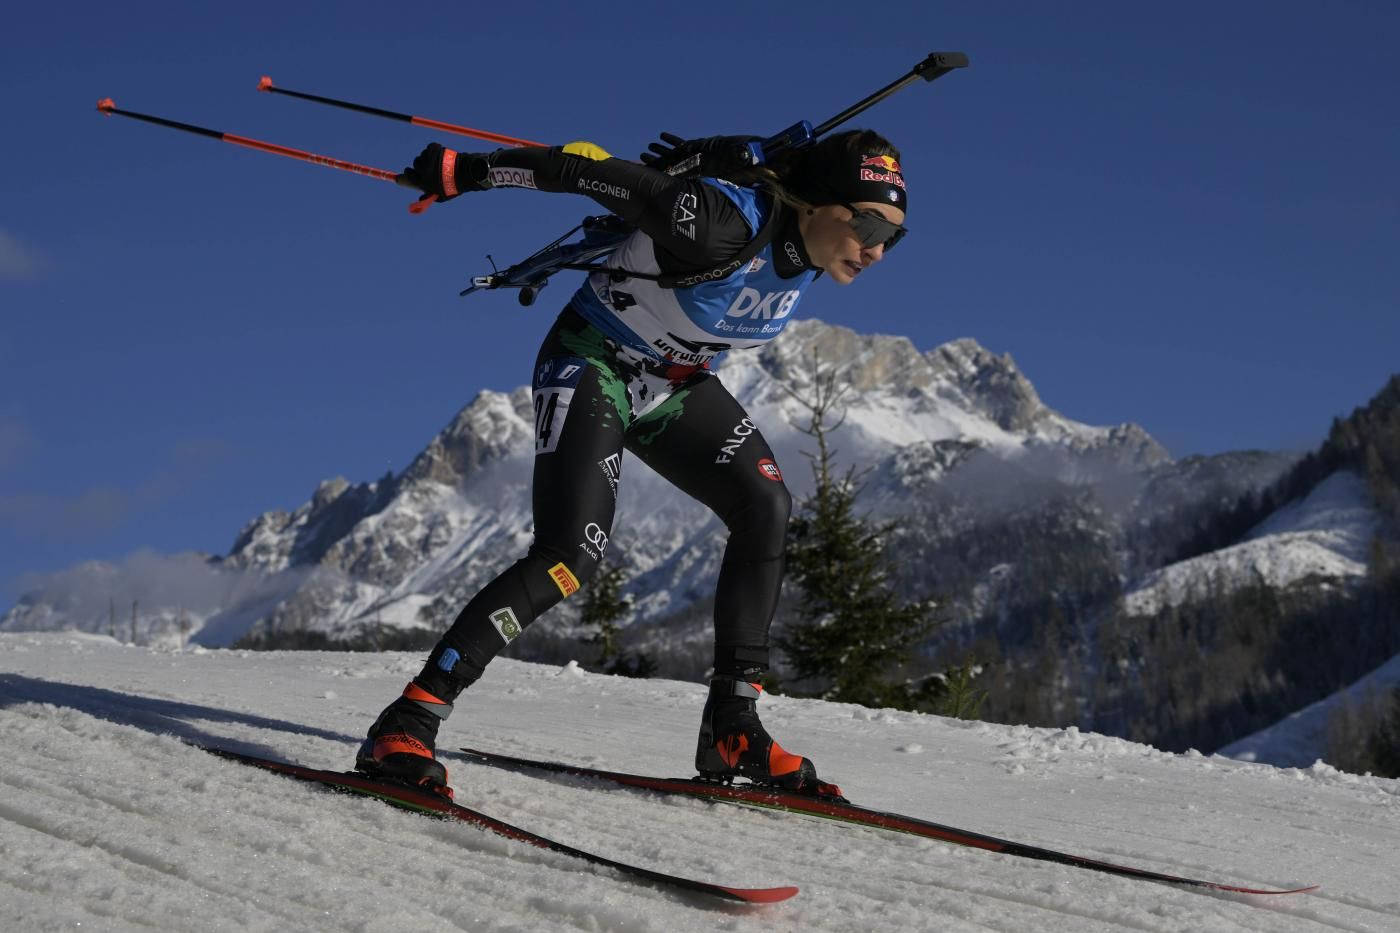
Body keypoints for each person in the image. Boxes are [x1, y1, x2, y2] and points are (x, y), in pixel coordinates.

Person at [355, 127, 909, 799]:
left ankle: (732, 725)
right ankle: (410, 716)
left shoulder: (807, 245)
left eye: (894, 235)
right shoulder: (718, 223)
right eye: (872, 223)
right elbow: (584, 173)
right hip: (593, 360)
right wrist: (466, 170)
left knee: (764, 503)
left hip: (671, 385)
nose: (879, 250)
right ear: (821, 204)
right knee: (569, 557)